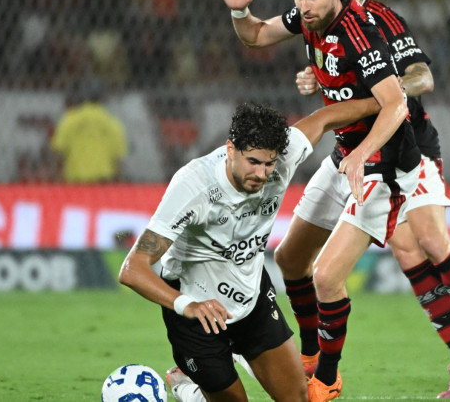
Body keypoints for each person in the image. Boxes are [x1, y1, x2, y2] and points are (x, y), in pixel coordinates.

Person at [284, 0, 450, 399]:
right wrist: (316, 79)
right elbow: (320, 65)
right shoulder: (319, 22)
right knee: (406, 254)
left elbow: (421, 79)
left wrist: (377, 88)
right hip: (354, 150)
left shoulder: (380, 21)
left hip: (406, 145)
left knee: (430, 240)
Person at [213, 0, 422, 401]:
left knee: (327, 276)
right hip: (344, 154)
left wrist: (362, 154)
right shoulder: (308, 17)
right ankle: (308, 354)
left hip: (381, 164)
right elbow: (255, 35)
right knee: (289, 260)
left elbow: (397, 104)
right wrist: (239, 10)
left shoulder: (360, 32)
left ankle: (326, 379)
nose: (304, 5)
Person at [118, 99, 381, 402]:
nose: (261, 173)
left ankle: (239, 352)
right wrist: (186, 304)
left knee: (298, 399)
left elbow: (325, 117)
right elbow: (132, 268)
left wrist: (387, 98)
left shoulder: (283, 157)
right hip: (198, 312)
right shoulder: (194, 186)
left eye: (269, 163)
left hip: (249, 296)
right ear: (231, 149)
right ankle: (188, 388)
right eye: (253, 162)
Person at [50, 88, 128, 183]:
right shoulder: (112, 122)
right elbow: (118, 156)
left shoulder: (69, 120)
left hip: (76, 181)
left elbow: (59, 150)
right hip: (103, 181)